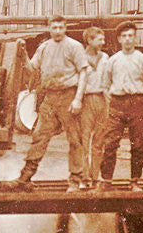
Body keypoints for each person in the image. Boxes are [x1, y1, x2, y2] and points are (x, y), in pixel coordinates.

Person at [5, 15, 90, 192]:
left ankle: (75, 180)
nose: (57, 31)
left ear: (65, 27)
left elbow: (83, 72)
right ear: (49, 28)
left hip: (68, 95)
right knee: (39, 136)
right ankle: (25, 178)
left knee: (75, 138)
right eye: (54, 27)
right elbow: (31, 68)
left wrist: (78, 99)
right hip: (49, 97)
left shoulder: (74, 46)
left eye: (60, 27)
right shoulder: (44, 47)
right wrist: (23, 53)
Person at [99, 21, 143, 191]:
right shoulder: (113, 60)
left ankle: (134, 182)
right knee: (110, 144)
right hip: (117, 104)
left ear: (135, 37)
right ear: (119, 39)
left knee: (138, 145)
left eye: (131, 36)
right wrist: (112, 102)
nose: (128, 39)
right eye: (124, 36)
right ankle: (106, 181)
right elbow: (105, 85)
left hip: (137, 104)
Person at [78, 26, 109, 189]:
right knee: (83, 140)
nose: (103, 42)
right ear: (89, 40)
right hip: (85, 101)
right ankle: (84, 177)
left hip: (102, 100)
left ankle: (96, 176)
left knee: (99, 141)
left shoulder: (105, 58)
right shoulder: (79, 57)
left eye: (103, 39)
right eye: (100, 39)